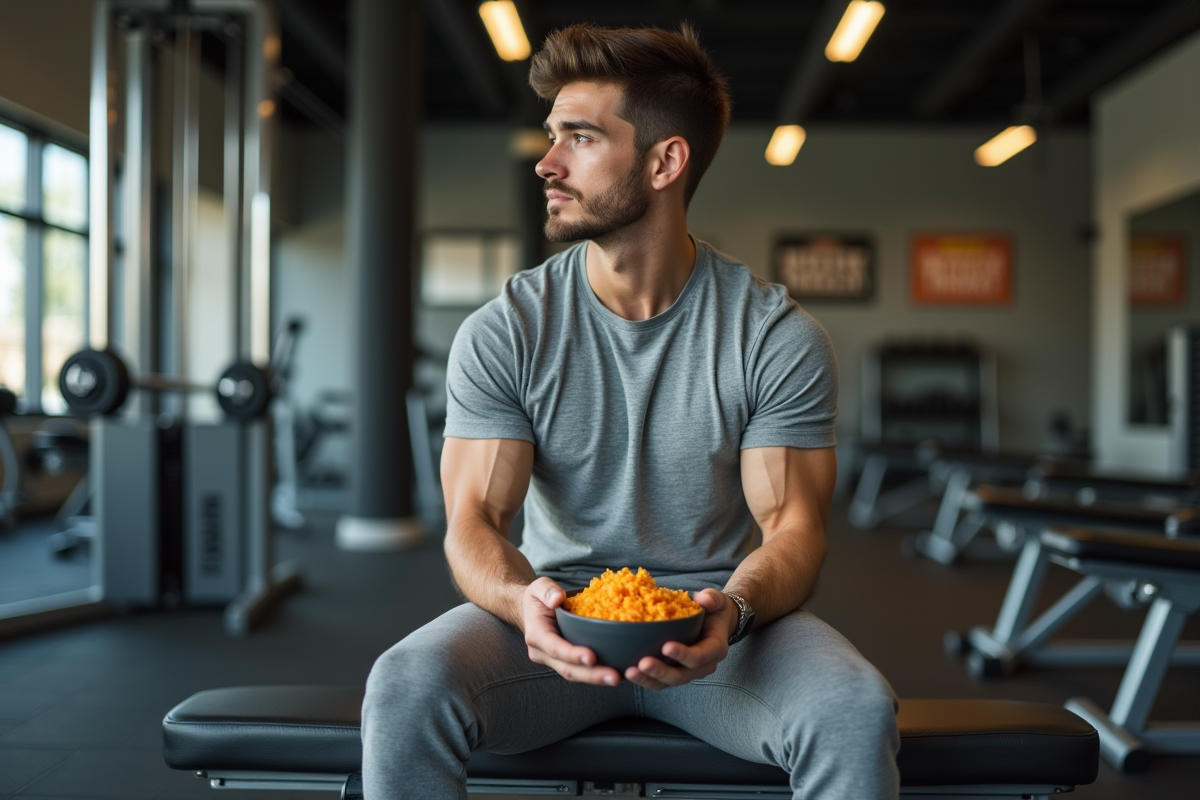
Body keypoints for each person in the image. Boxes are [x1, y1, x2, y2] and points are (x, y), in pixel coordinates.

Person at [362, 24, 899, 800]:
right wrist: (525, 603)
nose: (547, 162)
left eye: (578, 138)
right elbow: (474, 518)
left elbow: (795, 528)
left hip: (717, 633)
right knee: (406, 685)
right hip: (551, 629)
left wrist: (735, 611)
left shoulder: (773, 336)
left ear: (664, 162)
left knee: (851, 708)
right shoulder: (507, 329)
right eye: (551, 136)